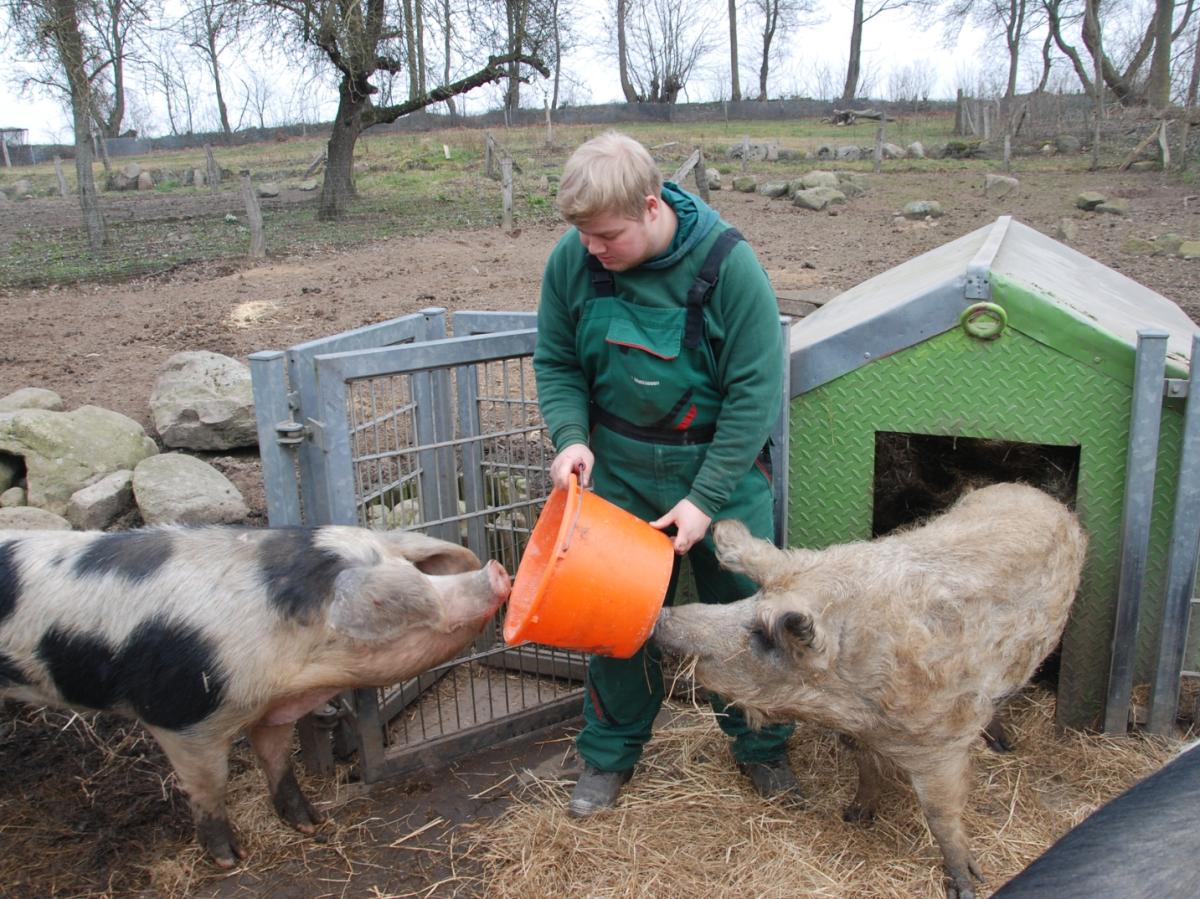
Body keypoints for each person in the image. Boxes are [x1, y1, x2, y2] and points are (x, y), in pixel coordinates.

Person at [532, 131, 798, 817]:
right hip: (618, 470)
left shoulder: (727, 266)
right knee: (613, 621)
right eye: (584, 236)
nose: (593, 249)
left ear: (652, 207)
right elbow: (558, 361)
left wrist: (706, 499)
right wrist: (569, 439)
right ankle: (608, 756)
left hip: (721, 471)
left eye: (607, 236)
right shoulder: (575, 258)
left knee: (746, 619)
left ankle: (763, 750)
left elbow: (754, 394)